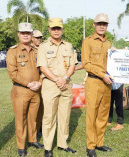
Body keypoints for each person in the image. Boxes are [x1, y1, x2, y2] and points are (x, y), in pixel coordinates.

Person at [37, 18, 77, 157]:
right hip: (50, 85)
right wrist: (57, 80)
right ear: (49, 29)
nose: (56, 30)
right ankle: (48, 147)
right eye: (53, 28)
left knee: (65, 116)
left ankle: (62, 144)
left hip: (66, 84)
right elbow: (42, 66)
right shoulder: (43, 46)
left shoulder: (69, 46)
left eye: (58, 28)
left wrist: (64, 78)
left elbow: (72, 65)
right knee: (49, 117)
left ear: (62, 29)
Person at [6, 23, 43, 156]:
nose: (26, 35)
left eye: (28, 32)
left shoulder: (37, 50)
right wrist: (28, 84)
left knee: (33, 118)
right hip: (21, 90)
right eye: (23, 32)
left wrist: (39, 83)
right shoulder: (13, 51)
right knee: (20, 119)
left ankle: (32, 140)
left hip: (36, 90)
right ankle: (21, 146)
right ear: (18, 34)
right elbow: (12, 73)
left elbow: (42, 69)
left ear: (32, 34)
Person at [81, 13, 113, 157]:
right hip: (94, 81)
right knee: (92, 115)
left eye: (104, 24)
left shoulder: (108, 43)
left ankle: (100, 142)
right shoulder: (87, 41)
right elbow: (86, 64)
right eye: (99, 23)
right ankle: (90, 146)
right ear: (94, 25)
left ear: (107, 26)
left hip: (107, 83)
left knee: (103, 114)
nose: (102, 26)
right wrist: (102, 75)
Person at [31, 29, 44, 138]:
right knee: (33, 108)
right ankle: (33, 129)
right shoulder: (29, 50)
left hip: (43, 82)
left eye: (40, 37)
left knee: (43, 107)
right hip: (33, 82)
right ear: (32, 38)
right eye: (36, 37)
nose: (39, 39)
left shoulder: (43, 49)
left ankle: (40, 128)